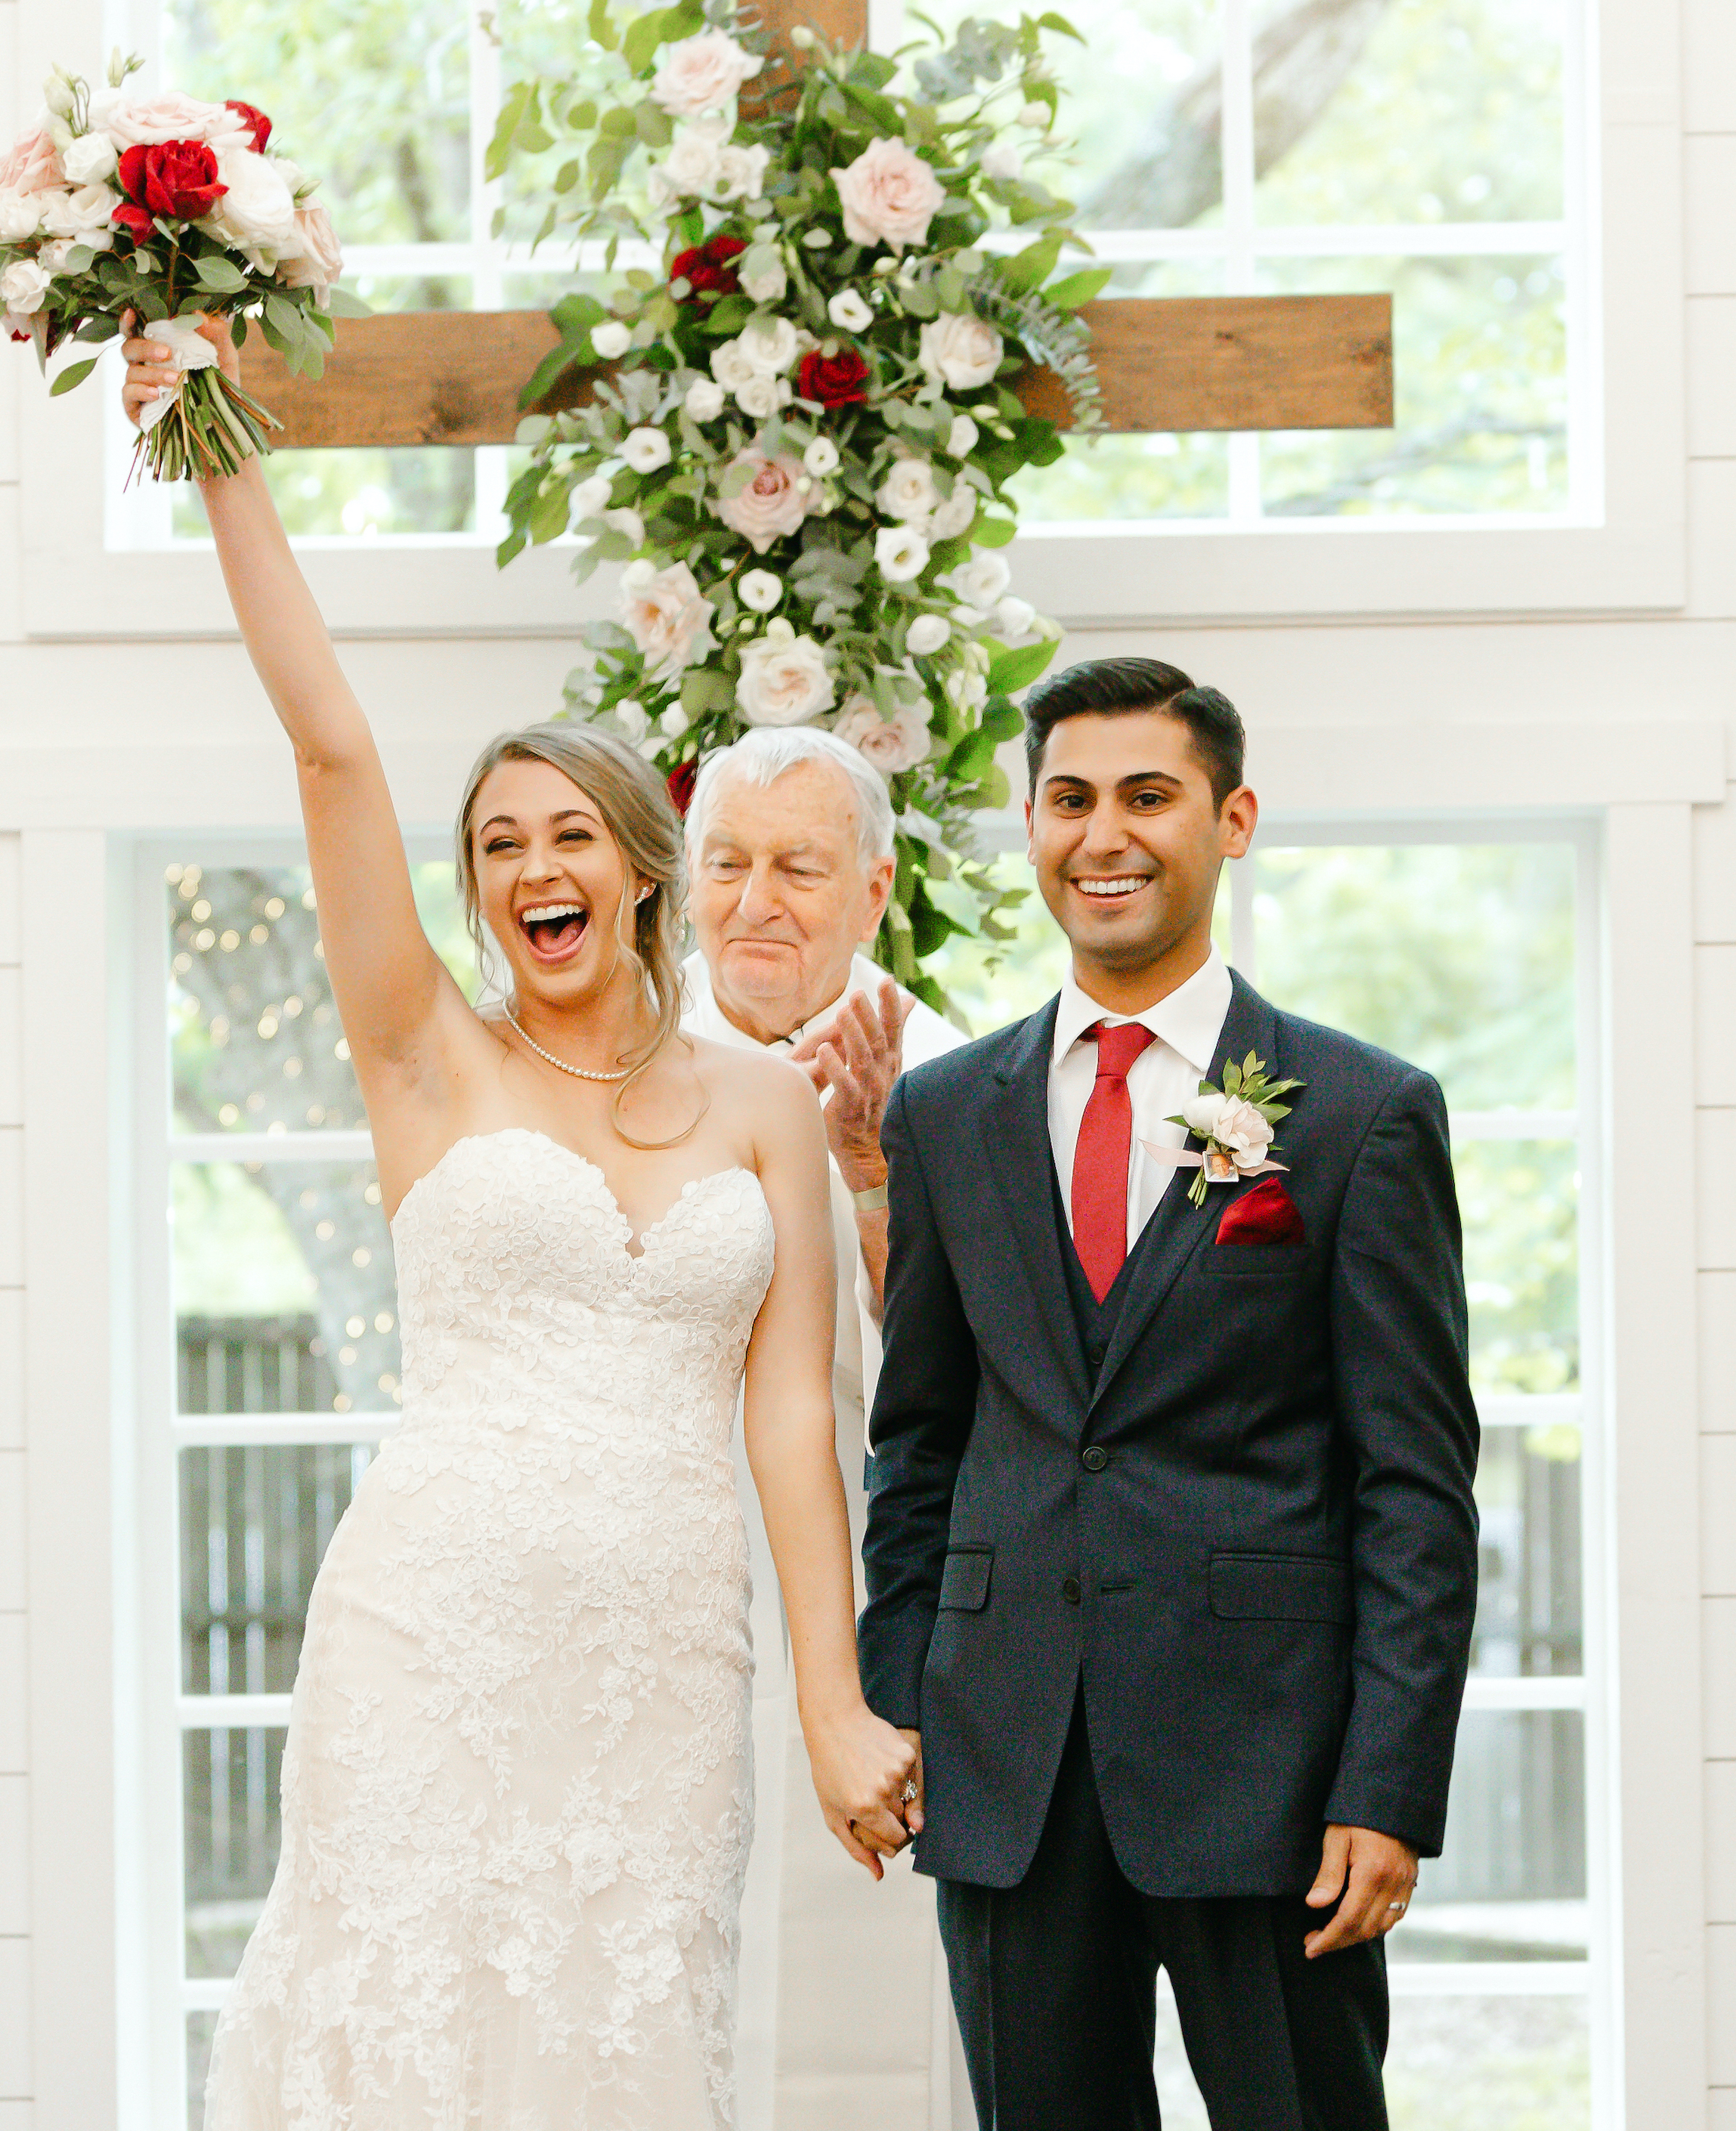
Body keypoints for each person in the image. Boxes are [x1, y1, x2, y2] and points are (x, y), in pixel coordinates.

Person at [121, 318, 921, 2129]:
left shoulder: (765, 1104)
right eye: (495, 844)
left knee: (620, 2050)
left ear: (641, 866)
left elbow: (789, 1427)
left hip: (663, 1650)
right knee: (399, 2033)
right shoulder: (428, 1058)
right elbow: (330, 754)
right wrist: (217, 443)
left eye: (568, 835)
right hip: (431, 1624)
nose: (530, 870)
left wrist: (834, 1704)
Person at [858, 657, 1481, 2129]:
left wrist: (1384, 1783)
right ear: (1028, 827)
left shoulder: (1356, 1115)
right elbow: (919, 1444)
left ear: (1231, 817)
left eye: (1147, 796)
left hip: (1271, 1775)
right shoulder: (943, 1116)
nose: (1104, 834)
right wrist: (897, 1707)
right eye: (1068, 799)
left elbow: (1413, 1484)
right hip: (1005, 1767)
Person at [677, 728, 963, 2118]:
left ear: (875, 887)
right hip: (663, 1586)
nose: (756, 901)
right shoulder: (620, 1071)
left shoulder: (965, 1085)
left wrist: (872, 1176)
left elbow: (979, 1384)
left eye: (799, 866)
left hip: (886, 1602)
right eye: (727, 863)